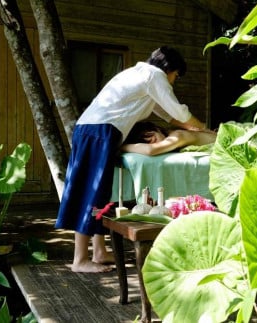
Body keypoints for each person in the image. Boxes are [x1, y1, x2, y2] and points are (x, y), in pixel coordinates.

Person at [55, 46, 207, 273]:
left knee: (101, 192)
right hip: (99, 132)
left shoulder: (138, 74)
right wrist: (205, 128)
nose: (174, 81)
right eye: (175, 75)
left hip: (94, 130)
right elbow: (180, 112)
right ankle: (80, 259)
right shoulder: (154, 76)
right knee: (91, 192)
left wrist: (190, 127)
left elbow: (168, 115)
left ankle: (99, 251)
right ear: (168, 69)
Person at [121, 121, 216, 155]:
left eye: (154, 140)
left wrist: (120, 147)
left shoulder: (178, 135)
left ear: (157, 129)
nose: (155, 145)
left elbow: (151, 150)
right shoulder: (172, 134)